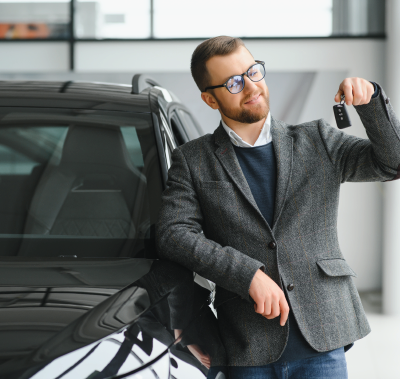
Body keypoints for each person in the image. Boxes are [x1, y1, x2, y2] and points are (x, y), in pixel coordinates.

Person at [155, 36, 400, 379]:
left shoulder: (317, 140)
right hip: (247, 345)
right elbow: (173, 233)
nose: (250, 86)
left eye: (253, 72)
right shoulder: (193, 160)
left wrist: (372, 102)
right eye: (233, 82)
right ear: (210, 98)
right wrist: (247, 273)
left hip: (323, 341)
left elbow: (393, 163)